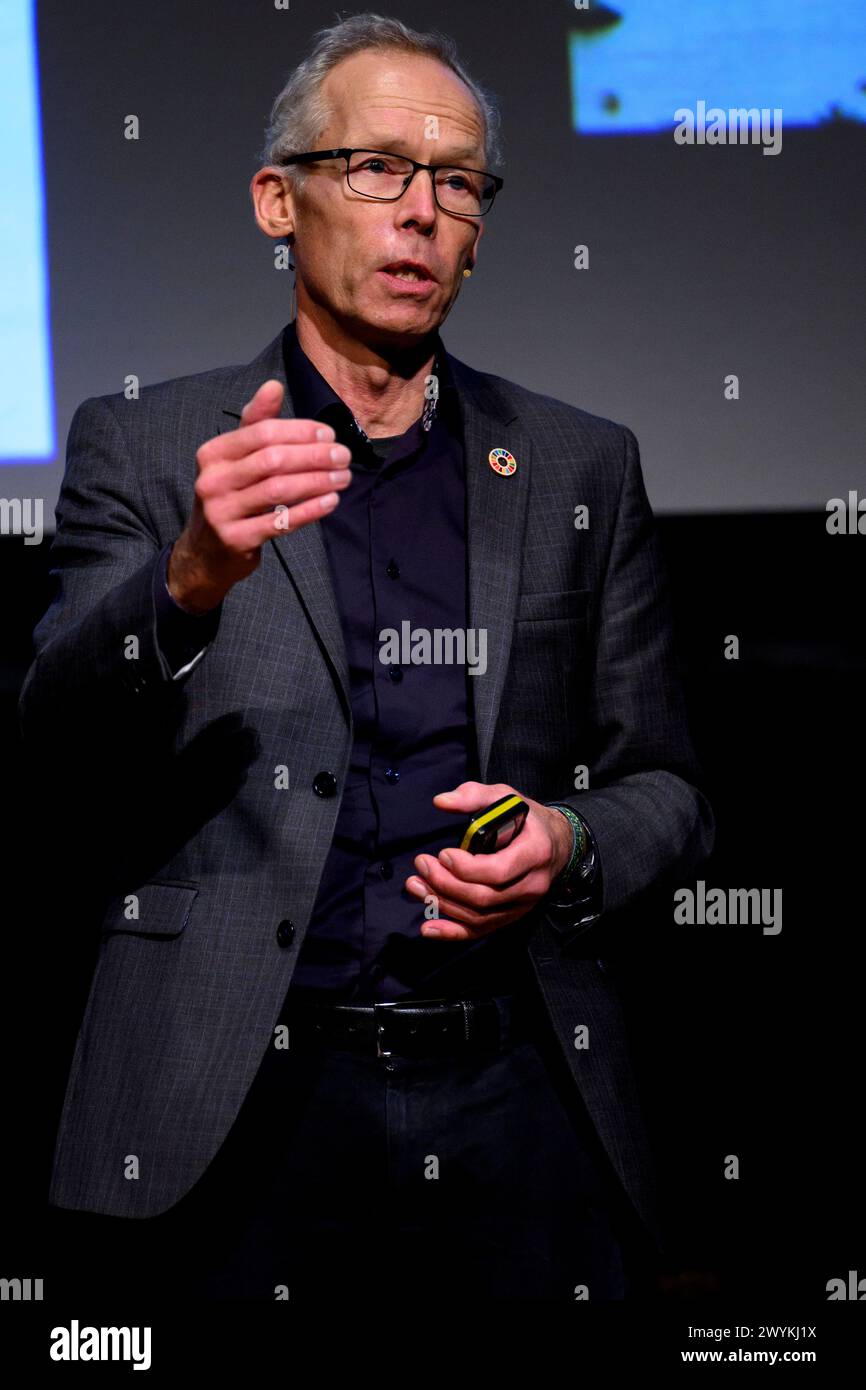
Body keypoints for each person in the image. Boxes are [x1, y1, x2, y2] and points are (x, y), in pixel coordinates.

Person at [19, 13, 714, 1301]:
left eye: (457, 184)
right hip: (235, 1095)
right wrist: (186, 582)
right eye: (378, 169)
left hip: (518, 1093)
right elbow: (50, 733)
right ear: (278, 201)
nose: (422, 214)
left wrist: (567, 844)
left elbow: (668, 788)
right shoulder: (148, 445)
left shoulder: (578, 463)